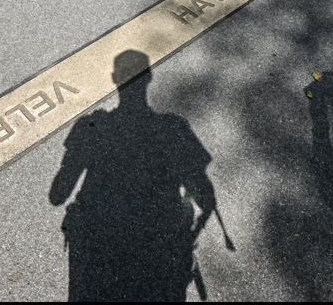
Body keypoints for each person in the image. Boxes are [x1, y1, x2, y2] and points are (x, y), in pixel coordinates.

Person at [49, 50, 228, 301]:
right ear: (148, 78)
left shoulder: (92, 126)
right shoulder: (172, 129)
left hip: (99, 256)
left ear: (114, 79)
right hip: (158, 257)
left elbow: (57, 195)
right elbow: (205, 197)